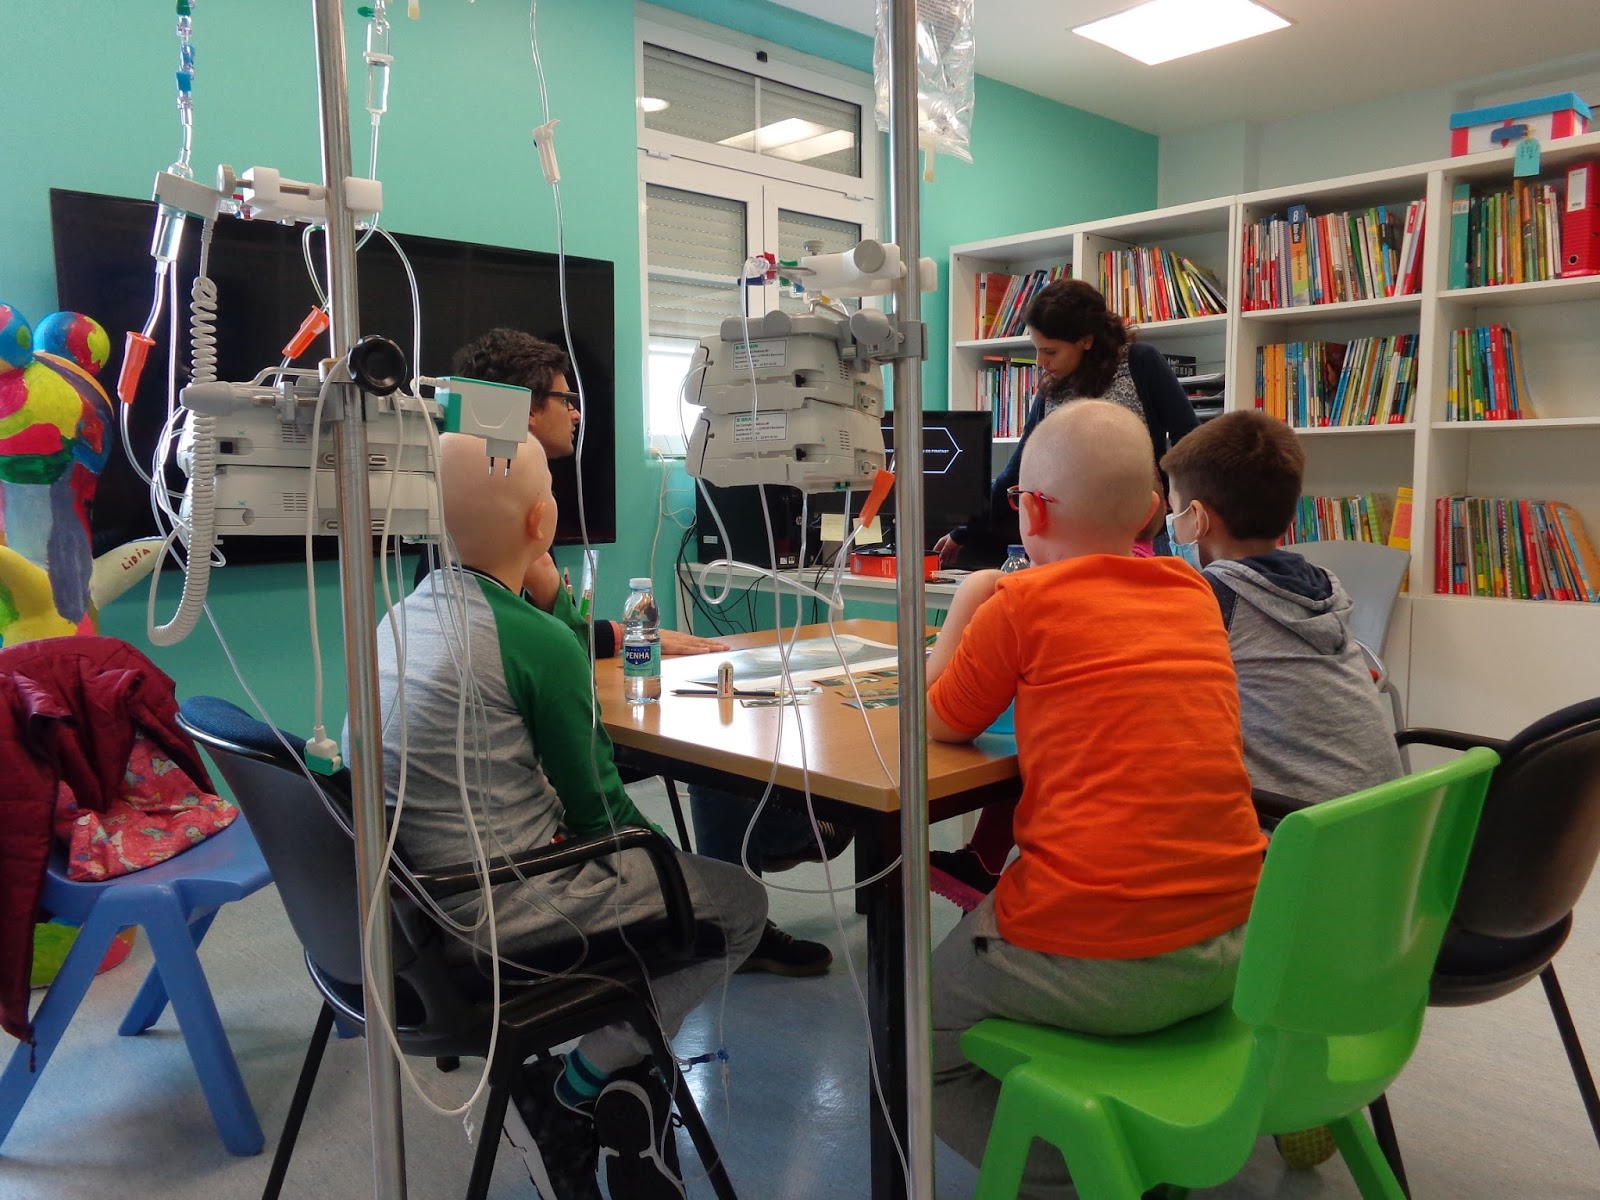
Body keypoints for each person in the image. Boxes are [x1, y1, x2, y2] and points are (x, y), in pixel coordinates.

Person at [368, 432, 767, 1200]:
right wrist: (670, 873)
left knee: (671, 899)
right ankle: (571, 1086)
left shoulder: (397, 620)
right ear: (540, 523)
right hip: (500, 912)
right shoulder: (535, 641)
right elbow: (603, 818)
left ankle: (627, 1085)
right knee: (737, 904)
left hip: (414, 913)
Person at [924, 401, 1266, 1197]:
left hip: (1101, 956)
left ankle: (1095, 1174)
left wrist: (971, 600)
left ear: (1030, 510)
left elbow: (939, 721)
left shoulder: (1018, 605)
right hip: (1235, 945)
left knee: (918, 1035)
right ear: (1149, 511)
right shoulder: (1194, 592)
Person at [443, 329, 839, 978]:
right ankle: (765, 860)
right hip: (517, 864)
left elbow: (550, 639)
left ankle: (777, 840)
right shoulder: (510, 546)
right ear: (524, 411)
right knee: (702, 761)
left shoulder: (444, 570)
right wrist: (672, 872)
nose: (577, 413)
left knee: (707, 744)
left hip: (442, 884)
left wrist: (586, 621)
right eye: (566, 400)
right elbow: (596, 802)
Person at [1161, 409, 1406, 801]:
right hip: (1383, 814)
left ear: (1198, 518)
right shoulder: (1321, 585)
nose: (1171, 524)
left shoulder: (1213, 597)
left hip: (1298, 824)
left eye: (1174, 510)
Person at [933, 278, 1197, 568]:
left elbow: (1189, 442)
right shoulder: (1050, 388)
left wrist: (1182, 514)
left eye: (1050, 351)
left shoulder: (1140, 362)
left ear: (1086, 340)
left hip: (1140, 531)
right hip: (1065, 538)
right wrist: (964, 532)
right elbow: (1018, 469)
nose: (1040, 362)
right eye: (1037, 349)